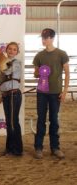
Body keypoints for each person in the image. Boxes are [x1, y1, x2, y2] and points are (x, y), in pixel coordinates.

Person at [33, 28, 70, 159]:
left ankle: (55, 147)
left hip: (56, 93)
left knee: (54, 119)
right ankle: (38, 147)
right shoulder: (39, 56)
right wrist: (39, 72)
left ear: (52, 38)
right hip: (41, 92)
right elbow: (35, 73)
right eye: (43, 37)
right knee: (41, 119)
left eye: (46, 37)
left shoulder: (61, 54)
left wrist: (64, 91)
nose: (44, 40)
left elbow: (67, 73)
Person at [0, 42, 23, 156]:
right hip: (7, 95)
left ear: (17, 52)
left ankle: (17, 150)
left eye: (14, 49)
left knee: (13, 122)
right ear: (6, 50)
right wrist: (1, 95)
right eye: (10, 49)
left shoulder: (17, 63)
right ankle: (9, 149)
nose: (12, 51)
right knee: (9, 122)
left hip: (14, 94)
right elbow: (2, 81)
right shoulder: (4, 62)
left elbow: (7, 71)